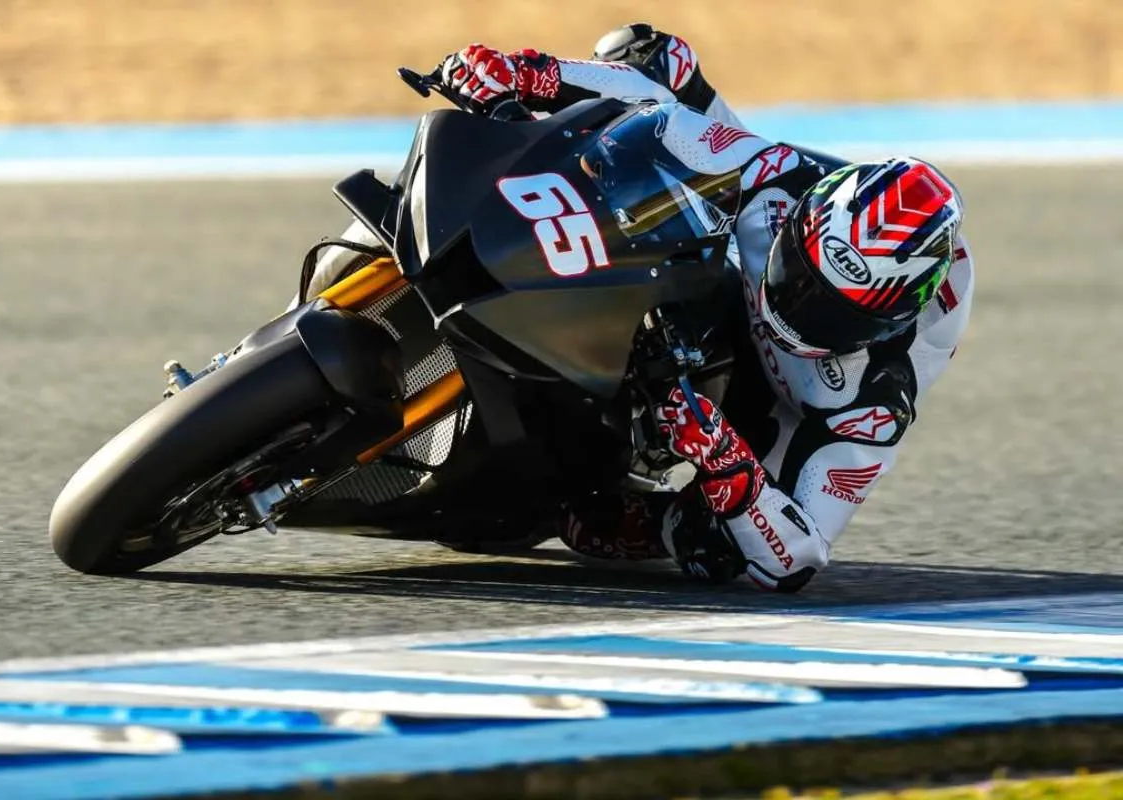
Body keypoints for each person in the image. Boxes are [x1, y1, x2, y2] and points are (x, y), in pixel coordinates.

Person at [304, 24, 975, 592]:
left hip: (773, 400)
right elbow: (657, 106)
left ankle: (644, 501)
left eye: (831, 312)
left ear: (883, 321)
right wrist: (527, 75)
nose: (798, 306)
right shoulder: (780, 178)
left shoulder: (875, 398)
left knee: (707, 549)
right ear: (805, 222)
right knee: (649, 55)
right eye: (799, 275)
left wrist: (725, 463)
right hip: (735, 241)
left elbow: (799, 555)